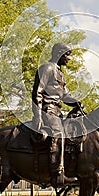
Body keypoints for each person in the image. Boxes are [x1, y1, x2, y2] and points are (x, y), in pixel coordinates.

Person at [32, 42, 82, 186]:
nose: (69, 58)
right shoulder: (47, 68)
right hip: (47, 109)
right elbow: (37, 93)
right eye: (67, 54)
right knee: (59, 133)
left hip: (58, 111)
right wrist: (38, 116)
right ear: (59, 53)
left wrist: (76, 102)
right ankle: (57, 172)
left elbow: (65, 95)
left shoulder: (60, 74)